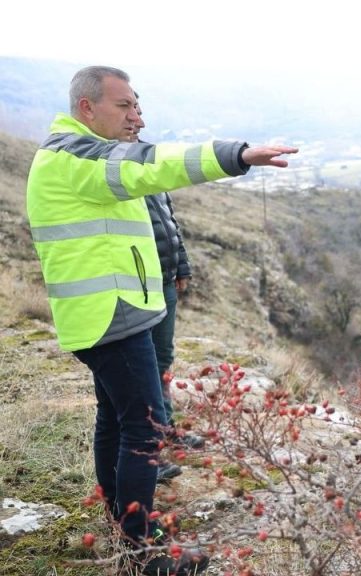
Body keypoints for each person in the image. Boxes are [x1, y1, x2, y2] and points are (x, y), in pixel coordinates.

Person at [25, 65, 297, 576]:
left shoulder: (75, 153)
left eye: (135, 105)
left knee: (118, 420)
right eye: (124, 105)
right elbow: (153, 166)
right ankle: (141, 551)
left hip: (108, 313)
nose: (134, 115)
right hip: (110, 316)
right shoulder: (76, 155)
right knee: (145, 428)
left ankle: (121, 523)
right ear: (88, 108)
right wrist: (235, 155)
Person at [125, 96, 202, 484]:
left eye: (139, 114)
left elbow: (169, 223)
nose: (137, 121)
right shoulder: (116, 171)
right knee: (145, 366)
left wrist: (181, 266)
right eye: (128, 113)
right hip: (140, 285)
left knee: (163, 359)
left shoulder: (148, 165)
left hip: (166, 278)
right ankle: (148, 449)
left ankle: (166, 430)